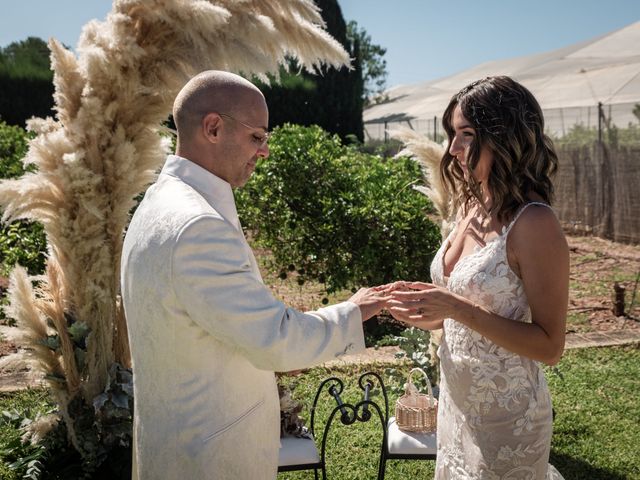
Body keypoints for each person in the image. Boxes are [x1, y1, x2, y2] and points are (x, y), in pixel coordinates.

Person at [120, 70, 389, 480]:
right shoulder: (197, 225)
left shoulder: (158, 203)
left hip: (175, 441)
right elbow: (275, 341)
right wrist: (354, 311)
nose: (264, 151)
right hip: (209, 458)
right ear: (213, 127)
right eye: (257, 137)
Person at [386, 76, 568, 479]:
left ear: (506, 136)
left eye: (467, 134)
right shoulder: (471, 204)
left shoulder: (535, 223)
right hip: (455, 403)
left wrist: (454, 307)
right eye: (453, 133)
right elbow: (458, 310)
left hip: (508, 419)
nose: (453, 148)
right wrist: (424, 311)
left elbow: (551, 347)